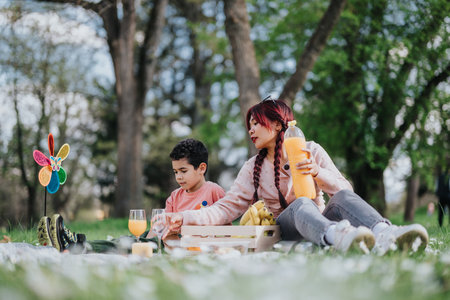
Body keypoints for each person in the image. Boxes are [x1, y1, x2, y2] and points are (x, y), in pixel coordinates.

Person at [164, 98, 429, 254]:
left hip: (320, 219)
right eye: (250, 125)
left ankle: (387, 234)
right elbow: (225, 208)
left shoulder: (310, 149)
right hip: (287, 228)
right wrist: (184, 217)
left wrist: (317, 173)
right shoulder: (251, 167)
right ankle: (339, 238)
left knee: (341, 197)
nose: (251, 130)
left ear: (278, 125)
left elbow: (343, 191)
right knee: (302, 203)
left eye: (257, 123)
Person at [146, 138, 226, 238]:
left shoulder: (214, 191)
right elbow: (160, 228)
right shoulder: (174, 197)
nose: (178, 177)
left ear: (202, 168)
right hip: (178, 251)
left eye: (183, 171)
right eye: (175, 172)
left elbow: (226, 230)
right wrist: (147, 244)